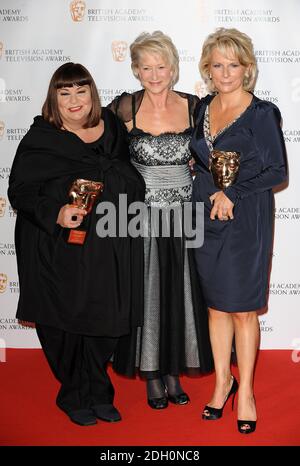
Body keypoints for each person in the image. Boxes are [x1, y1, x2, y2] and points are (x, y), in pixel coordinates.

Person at [8, 62, 145, 426]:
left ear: (92, 94)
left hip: (108, 244)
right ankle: (73, 393)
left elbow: (127, 173)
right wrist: (56, 211)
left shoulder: (113, 127)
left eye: (81, 91)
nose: (73, 100)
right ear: (54, 98)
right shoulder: (42, 138)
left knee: (107, 317)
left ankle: (99, 390)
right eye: (64, 93)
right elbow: (20, 191)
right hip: (57, 248)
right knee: (64, 321)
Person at [109, 31, 213, 409]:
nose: (155, 75)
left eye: (162, 66)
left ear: (173, 68)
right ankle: (153, 375)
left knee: (182, 292)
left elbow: (210, 153)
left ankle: (174, 371)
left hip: (186, 214)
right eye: (146, 67)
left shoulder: (194, 105)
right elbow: (106, 158)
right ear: (136, 70)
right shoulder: (123, 108)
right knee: (149, 293)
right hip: (141, 218)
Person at [191, 28, 287, 433]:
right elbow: (201, 157)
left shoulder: (262, 113)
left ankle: (245, 391)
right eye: (217, 64)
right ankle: (222, 381)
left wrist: (234, 192)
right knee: (215, 307)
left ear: (246, 68)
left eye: (233, 64)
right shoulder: (202, 108)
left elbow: (278, 171)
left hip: (245, 218)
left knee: (243, 310)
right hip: (204, 215)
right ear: (207, 69)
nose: (225, 72)